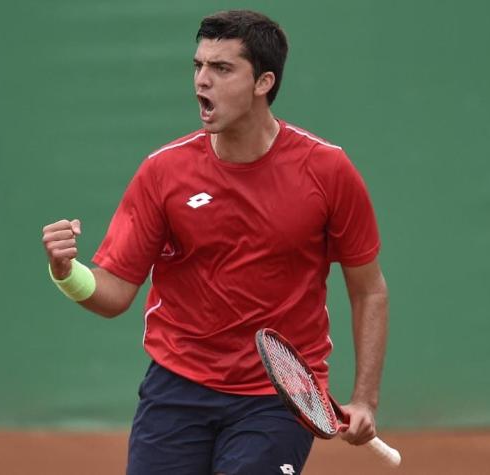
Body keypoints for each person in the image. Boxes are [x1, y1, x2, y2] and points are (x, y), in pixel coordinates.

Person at [42, 9, 389, 475]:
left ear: (263, 82)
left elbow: (368, 289)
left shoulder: (327, 171)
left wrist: (365, 398)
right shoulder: (163, 172)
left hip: (275, 396)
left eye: (222, 69)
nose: (201, 81)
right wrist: (66, 273)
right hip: (176, 388)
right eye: (198, 66)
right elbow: (115, 293)